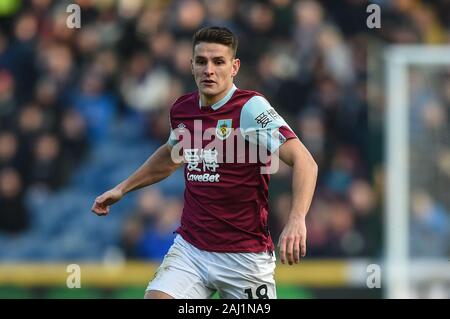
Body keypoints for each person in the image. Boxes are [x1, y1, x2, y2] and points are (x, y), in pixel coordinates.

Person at [91, 26, 318, 299]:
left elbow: (305, 161)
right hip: (192, 250)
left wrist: (296, 219)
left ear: (234, 67)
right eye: (201, 61)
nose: (209, 69)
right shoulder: (182, 109)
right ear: (191, 66)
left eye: (218, 62)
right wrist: (123, 188)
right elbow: (171, 155)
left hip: (244, 257)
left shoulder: (250, 108)